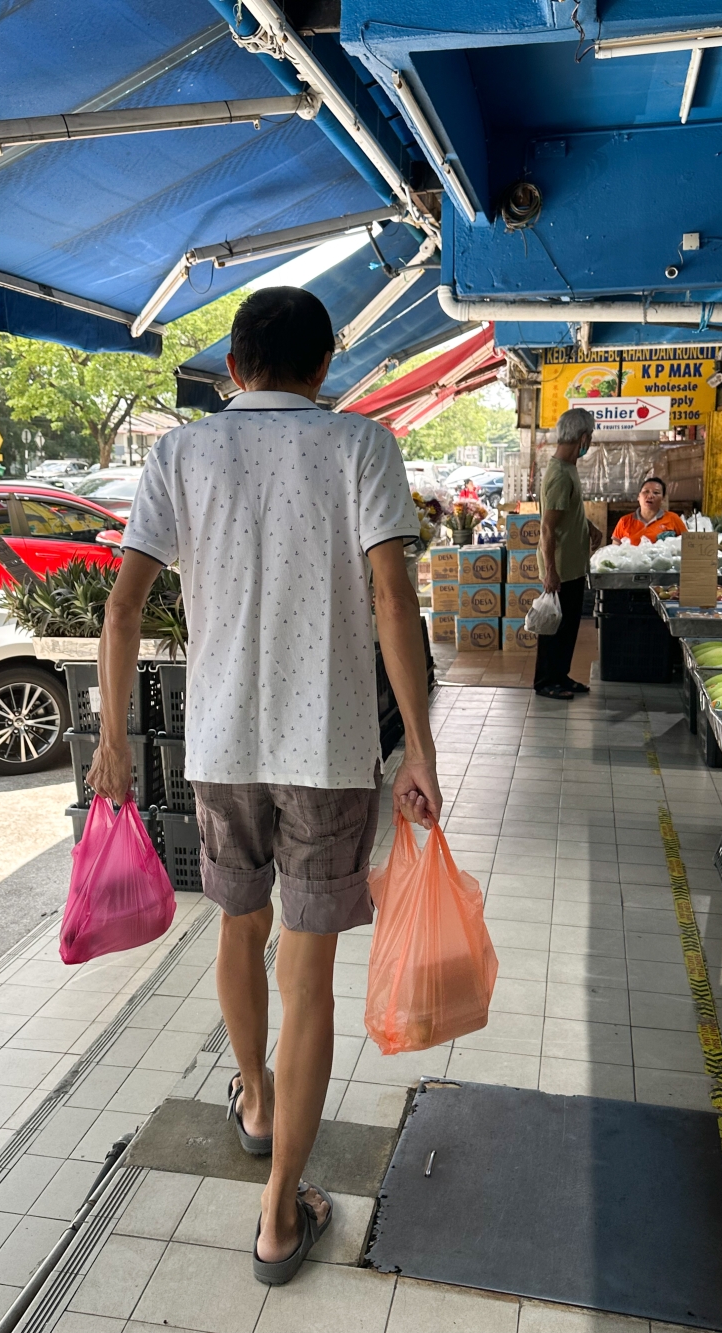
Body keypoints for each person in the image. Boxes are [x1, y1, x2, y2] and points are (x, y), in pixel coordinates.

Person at [85, 286, 442, 1286]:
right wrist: (419, 748)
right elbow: (392, 599)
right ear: (324, 367)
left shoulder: (180, 453)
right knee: (308, 973)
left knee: (238, 930)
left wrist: (112, 741)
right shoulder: (361, 446)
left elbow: (121, 610)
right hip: (327, 750)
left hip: (220, 744)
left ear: (233, 368)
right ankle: (281, 1213)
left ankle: (252, 1094)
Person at [535, 406, 603, 701]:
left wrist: (589, 527)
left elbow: (567, 513)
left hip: (573, 564)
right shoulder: (560, 475)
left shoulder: (568, 467)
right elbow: (547, 528)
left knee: (569, 625)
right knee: (555, 627)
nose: (591, 441)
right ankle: (546, 681)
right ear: (583, 437)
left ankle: (560, 675)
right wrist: (551, 571)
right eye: (591, 436)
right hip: (560, 567)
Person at [611, 476, 687, 544]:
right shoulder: (624, 521)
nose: (650, 496)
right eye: (646, 491)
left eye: (656, 493)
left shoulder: (673, 518)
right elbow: (614, 550)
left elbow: (688, 545)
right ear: (639, 496)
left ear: (663, 499)